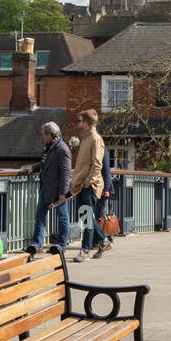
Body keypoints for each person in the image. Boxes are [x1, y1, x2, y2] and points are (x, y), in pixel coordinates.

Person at [69, 109, 108, 262]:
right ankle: (103, 241)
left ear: (86, 123)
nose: (78, 124)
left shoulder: (95, 139)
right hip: (81, 184)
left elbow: (97, 164)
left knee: (87, 218)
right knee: (86, 217)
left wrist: (87, 182)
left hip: (89, 185)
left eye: (80, 121)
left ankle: (85, 251)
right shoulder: (85, 139)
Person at [28, 120, 71, 251]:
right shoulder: (48, 148)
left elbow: (66, 173)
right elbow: (44, 164)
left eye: (44, 134)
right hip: (46, 188)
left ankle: (62, 244)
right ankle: (37, 244)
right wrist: (33, 168)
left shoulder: (62, 149)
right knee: (39, 216)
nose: (43, 137)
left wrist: (63, 193)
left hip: (58, 191)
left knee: (63, 217)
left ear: (50, 135)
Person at [96, 145, 115, 257]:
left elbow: (106, 171)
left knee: (102, 216)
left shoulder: (103, 151)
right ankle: (104, 239)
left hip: (102, 188)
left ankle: (107, 239)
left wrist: (106, 188)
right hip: (99, 187)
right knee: (100, 215)